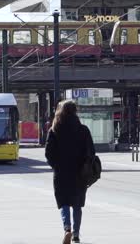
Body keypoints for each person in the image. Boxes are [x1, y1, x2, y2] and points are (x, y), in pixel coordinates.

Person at [45, 100, 95, 244]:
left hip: (61, 173)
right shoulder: (83, 130)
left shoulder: (54, 130)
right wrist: (85, 165)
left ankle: (67, 229)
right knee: (77, 204)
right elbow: (91, 151)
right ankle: (76, 234)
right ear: (75, 112)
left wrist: (56, 166)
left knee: (64, 202)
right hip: (79, 173)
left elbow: (48, 153)